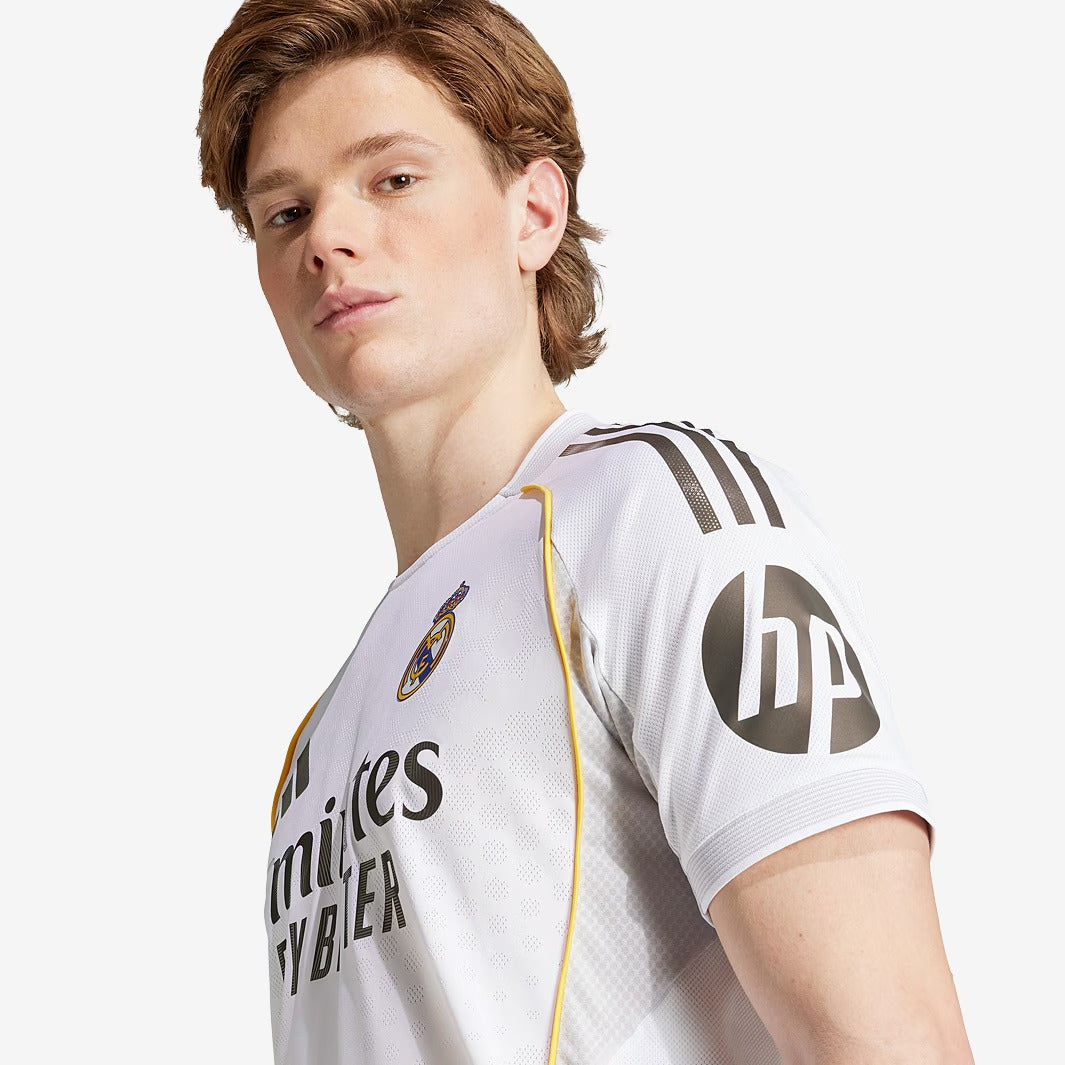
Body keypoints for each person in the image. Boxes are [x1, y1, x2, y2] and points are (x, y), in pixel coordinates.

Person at [197, 2, 974, 1062]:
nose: (328, 236)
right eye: (284, 212)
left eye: (394, 178)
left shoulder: (658, 516)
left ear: (535, 212)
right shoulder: (321, 733)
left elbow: (889, 1037)